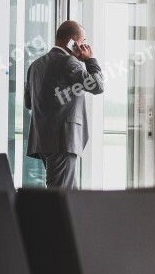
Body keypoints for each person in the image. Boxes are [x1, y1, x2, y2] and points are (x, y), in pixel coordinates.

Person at [24, 21, 104, 188]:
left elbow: (29, 103)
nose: (84, 47)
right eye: (82, 42)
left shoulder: (35, 65)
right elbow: (97, 86)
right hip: (63, 140)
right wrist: (90, 60)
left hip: (43, 140)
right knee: (61, 195)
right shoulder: (68, 62)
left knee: (68, 193)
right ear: (72, 42)